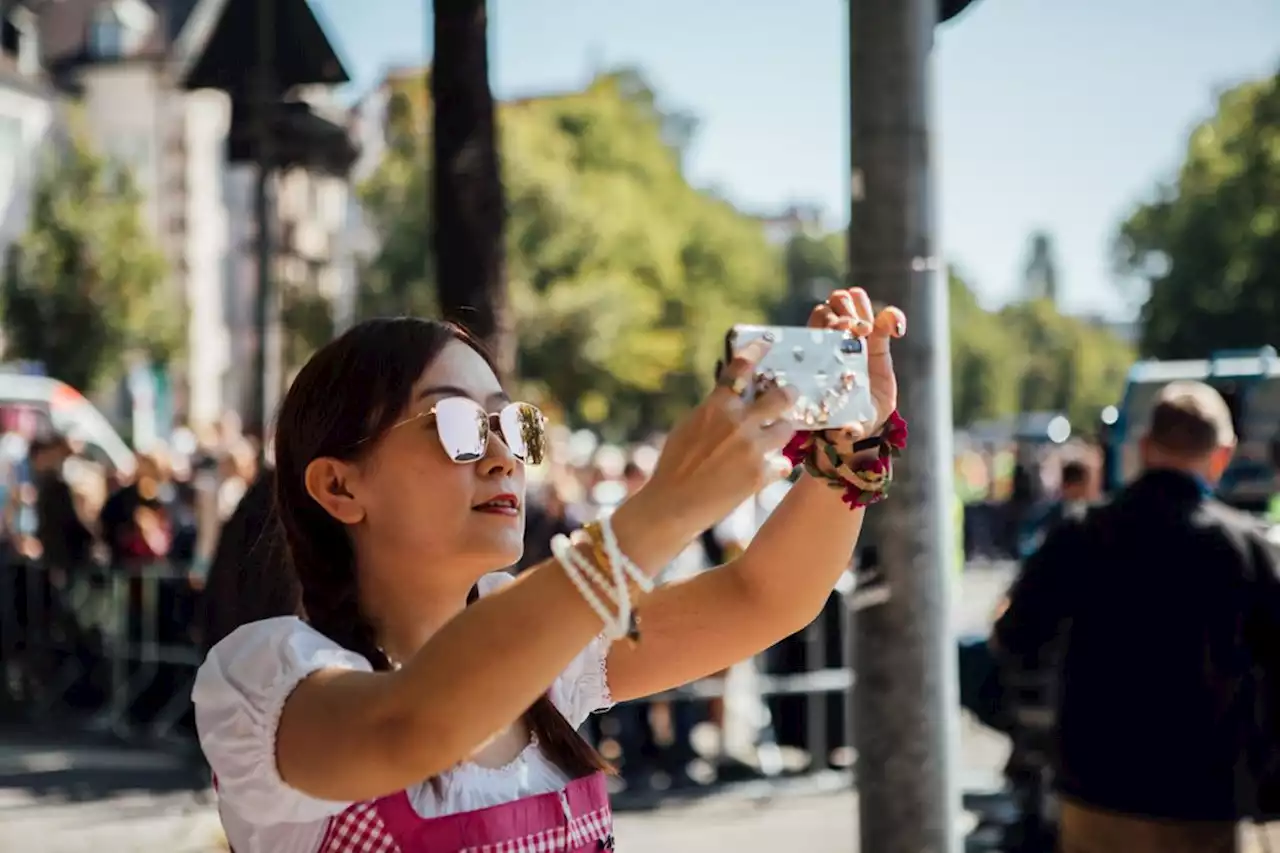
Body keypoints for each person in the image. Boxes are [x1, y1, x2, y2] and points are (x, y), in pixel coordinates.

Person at [192, 289, 906, 853]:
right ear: (340, 487)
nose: (505, 456)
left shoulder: (548, 651)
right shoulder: (264, 676)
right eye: (458, 426)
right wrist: (665, 507)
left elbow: (765, 596)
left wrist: (850, 449)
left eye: (511, 424)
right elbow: (410, 724)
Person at [993, 381, 1280, 853]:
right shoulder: (1246, 550)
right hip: (1203, 798)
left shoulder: (1080, 535)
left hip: (1094, 789)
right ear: (1222, 454)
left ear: (1144, 447)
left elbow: (1016, 639)